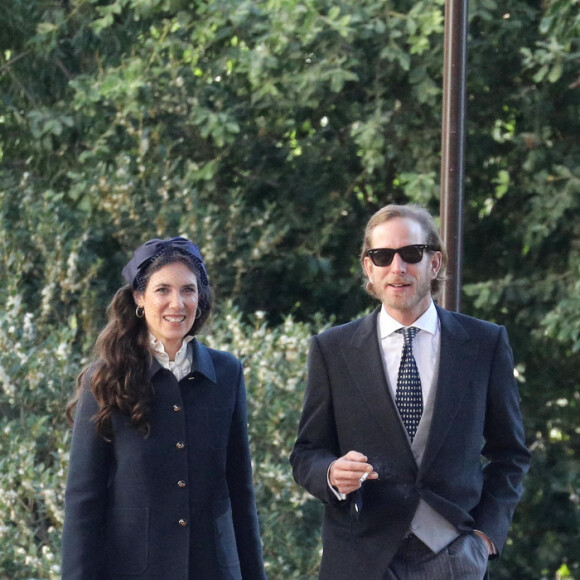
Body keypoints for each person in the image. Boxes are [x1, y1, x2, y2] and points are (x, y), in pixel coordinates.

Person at [290, 204, 531, 580]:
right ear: (369, 268)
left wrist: (485, 538)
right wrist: (332, 472)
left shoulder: (485, 343)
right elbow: (306, 453)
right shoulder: (332, 349)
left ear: (434, 263)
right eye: (382, 256)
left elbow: (511, 453)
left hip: (454, 556)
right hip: (359, 558)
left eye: (411, 254)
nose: (397, 268)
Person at [61, 237, 267, 580]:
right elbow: (84, 501)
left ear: (200, 298)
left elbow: (240, 493)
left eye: (188, 290)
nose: (178, 303)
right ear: (139, 298)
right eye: (163, 290)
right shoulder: (103, 380)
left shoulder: (227, 373)